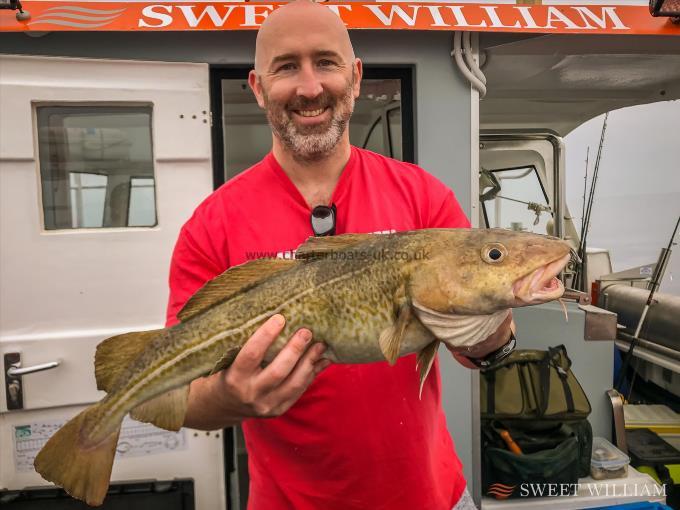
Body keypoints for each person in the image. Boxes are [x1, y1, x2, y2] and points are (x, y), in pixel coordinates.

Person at [165, 1, 514, 508]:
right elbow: (177, 397)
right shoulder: (210, 226)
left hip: (434, 497)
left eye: (326, 62)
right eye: (286, 66)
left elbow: (476, 349)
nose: (310, 87)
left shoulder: (424, 198)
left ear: (354, 76)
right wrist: (228, 398)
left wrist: (496, 322)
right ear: (258, 87)